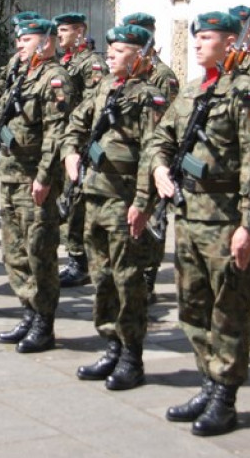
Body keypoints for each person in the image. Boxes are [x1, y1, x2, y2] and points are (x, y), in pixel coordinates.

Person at [145, 12, 250, 432]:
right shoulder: (190, 91)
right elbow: (161, 138)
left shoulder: (247, 93)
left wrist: (248, 224)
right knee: (192, 307)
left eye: (207, 38)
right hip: (188, 217)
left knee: (230, 312)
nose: (197, 44)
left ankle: (225, 395)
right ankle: (207, 379)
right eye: (195, 37)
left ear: (231, 42)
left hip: (225, 219)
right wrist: (160, 168)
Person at [64, 24, 167, 389]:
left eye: (119, 49)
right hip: (95, 196)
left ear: (139, 54)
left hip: (125, 202)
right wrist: (71, 152)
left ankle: (131, 356)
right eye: (110, 48)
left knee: (128, 280)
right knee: (103, 277)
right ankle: (110, 344)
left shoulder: (148, 97)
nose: (110, 54)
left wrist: (143, 202)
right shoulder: (105, 86)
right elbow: (76, 121)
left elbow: (154, 152)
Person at [0, 18, 74, 353]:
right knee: (14, 251)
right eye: (19, 39)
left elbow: (57, 132)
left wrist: (45, 177)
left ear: (47, 42)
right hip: (10, 175)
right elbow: (1, 111)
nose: (20, 44)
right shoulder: (23, 73)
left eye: (27, 39)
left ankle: (44, 323)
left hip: (34, 179)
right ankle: (28, 311)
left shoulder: (55, 78)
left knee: (39, 254)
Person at [119, 11, 179, 298]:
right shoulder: (124, 74)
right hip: (127, 163)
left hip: (150, 159)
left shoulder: (162, 76)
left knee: (152, 217)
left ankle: (148, 275)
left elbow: (164, 125)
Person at [54, 11, 106, 288]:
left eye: (64, 30)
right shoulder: (66, 61)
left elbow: (92, 107)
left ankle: (79, 260)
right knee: (66, 200)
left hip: (80, 141)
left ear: (80, 31)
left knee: (75, 202)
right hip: (64, 140)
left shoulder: (92, 64)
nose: (59, 36)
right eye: (59, 31)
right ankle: (74, 255)